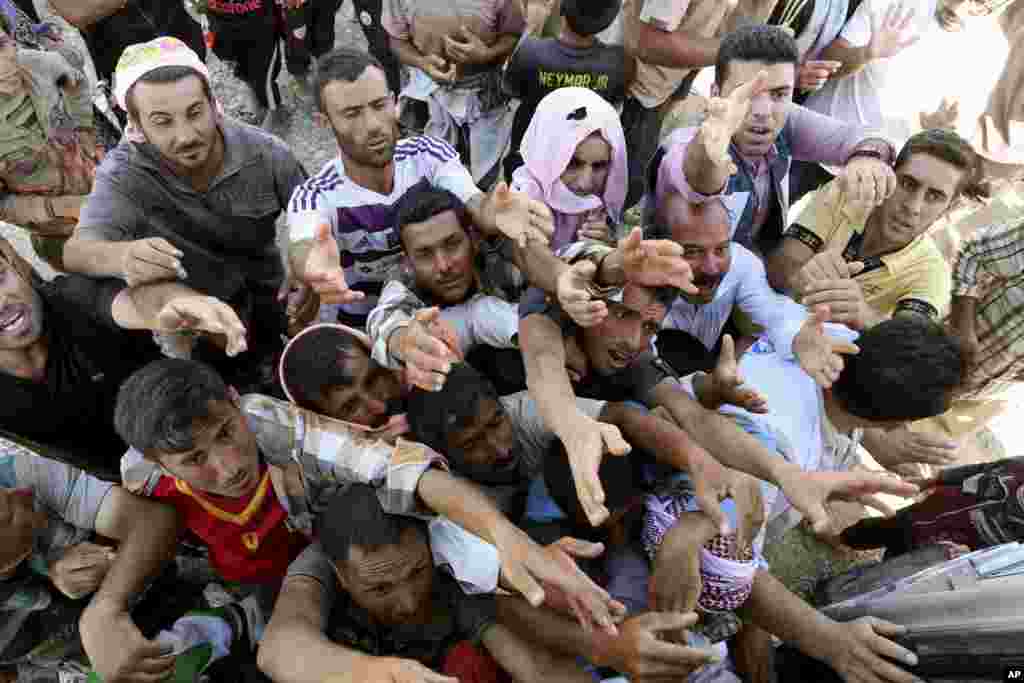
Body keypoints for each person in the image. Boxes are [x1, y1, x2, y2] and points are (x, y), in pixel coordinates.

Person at [95, 358, 620, 680]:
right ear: (158, 461)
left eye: (227, 433)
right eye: (195, 460)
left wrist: (507, 540)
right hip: (248, 575)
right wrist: (105, 606)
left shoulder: (281, 429)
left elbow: (402, 471)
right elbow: (147, 524)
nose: (228, 466)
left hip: (321, 550)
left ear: (235, 403)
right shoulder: (139, 475)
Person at [519, 247, 906, 528]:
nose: (634, 340)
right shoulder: (534, 317)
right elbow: (544, 364)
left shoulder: (637, 357)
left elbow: (693, 416)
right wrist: (573, 423)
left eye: (650, 326)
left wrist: (785, 473)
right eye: (622, 314)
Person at [63, 37, 308, 395]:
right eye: (162, 122)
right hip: (196, 320)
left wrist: (304, 259)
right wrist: (121, 256)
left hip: (270, 295)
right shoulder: (122, 176)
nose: (186, 135)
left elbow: (312, 211)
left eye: (195, 113)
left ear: (213, 103)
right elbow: (76, 252)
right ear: (136, 126)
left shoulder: (267, 153)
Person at [287, 48, 553, 329]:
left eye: (379, 105)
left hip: (443, 312)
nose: (373, 125)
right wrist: (311, 263)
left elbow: (474, 203)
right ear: (324, 122)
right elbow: (303, 244)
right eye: (352, 114)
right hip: (367, 330)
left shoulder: (428, 155)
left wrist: (495, 212)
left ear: (394, 102)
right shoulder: (316, 196)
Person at [0, 234, 248, 480]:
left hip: (207, 449)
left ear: (11, 261)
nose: (2, 303)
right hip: (119, 490)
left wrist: (179, 303)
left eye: (0, 277)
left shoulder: (72, 299)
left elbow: (136, 303)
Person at [649, 23, 898, 255]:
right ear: (716, 93)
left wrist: (867, 157)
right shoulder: (687, 140)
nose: (762, 111)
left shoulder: (785, 119)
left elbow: (858, 136)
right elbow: (696, 175)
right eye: (746, 93)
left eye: (779, 94)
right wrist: (708, 154)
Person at [306, 485, 593, 682]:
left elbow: (536, 670)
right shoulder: (326, 624)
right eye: (380, 589)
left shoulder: (453, 584)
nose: (409, 602)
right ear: (341, 576)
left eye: (417, 572)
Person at [767, 128, 979, 328]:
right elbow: (777, 267)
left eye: (934, 197)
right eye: (907, 184)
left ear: (949, 207)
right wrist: (799, 278)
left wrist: (863, 315)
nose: (913, 207)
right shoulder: (846, 194)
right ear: (889, 175)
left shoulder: (933, 273)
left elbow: (908, 341)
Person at [367, 186, 527, 394]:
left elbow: (551, 273)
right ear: (407, 262)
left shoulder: (499, 252)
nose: (443, 266)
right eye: (425, 254)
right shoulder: (403, 279)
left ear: (473, 238)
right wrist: (404, 340)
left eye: (452, 244)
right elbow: (382, 320)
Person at [649, 192, 814, 376]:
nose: (711, 268)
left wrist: (799, 337)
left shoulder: (740, 263)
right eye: (692, 252)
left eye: (721, 249)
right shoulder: (639, 284)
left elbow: (774, 311)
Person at [604, 0, 742, 208]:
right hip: (630, 88)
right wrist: (735, 48)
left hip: (654, 94)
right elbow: (649, 42)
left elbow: (704, 24)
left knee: (628, 187)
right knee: (620, 188)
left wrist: (679, 91)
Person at [383, 0, 525, 185]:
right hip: (432, 96)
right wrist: (422, 63)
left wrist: (488, 55)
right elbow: (397, 40)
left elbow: (515, 34)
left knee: (488, 178)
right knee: (435, 176)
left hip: (488, 98)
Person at [0, 11, 98, 270]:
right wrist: (62, 208)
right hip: (59, 233)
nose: (2, 66)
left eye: (1, 46)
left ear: (12, 40)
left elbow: (75, 83)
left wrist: (85, 128)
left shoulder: (39, 64)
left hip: (103, 184)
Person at [501, 0, 631, 182]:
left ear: (562, 7)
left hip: (527, 164)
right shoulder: (617, 63)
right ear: (609, 20)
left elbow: (511, 90)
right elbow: (615, 102)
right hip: (576, 171)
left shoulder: (530, 52)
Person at [509, 87, 628, 250]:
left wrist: (606, 249)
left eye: (599, 166)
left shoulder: (601, 200)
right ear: (547, 154)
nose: (585, 183)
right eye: (572, 164)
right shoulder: (524, 200)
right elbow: (529, 259)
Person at [203, 0, 287, 129]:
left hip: (261, 34)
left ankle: (274, 110)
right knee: (243, 73)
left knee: (264, 78)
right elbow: (205, 15)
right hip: (227, 32)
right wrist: (219, 49)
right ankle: (258, 108)